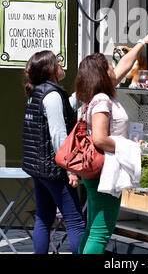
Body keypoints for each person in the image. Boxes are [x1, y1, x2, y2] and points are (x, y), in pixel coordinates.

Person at [75, 23, 148, 254]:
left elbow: (125, 63)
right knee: (101, 232)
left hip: (98, 172)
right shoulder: (102, 99)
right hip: (106, 172)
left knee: (93, 227)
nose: (114, 67)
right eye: (109, 66)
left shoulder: (98, 92)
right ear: (103, 74)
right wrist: (129, 147)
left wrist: (145, 40)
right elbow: (101, 139)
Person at [22, 50, 86, 254]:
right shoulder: (51, 95)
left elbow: (65, 108)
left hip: (38, 168)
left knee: (44, 218)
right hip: (54, 169)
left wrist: (85, 94)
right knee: (75, 220)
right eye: (58, 63)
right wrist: (70, 170)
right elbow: (59, 135)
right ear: (50, 69)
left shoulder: (38, 92)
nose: (62, 66)